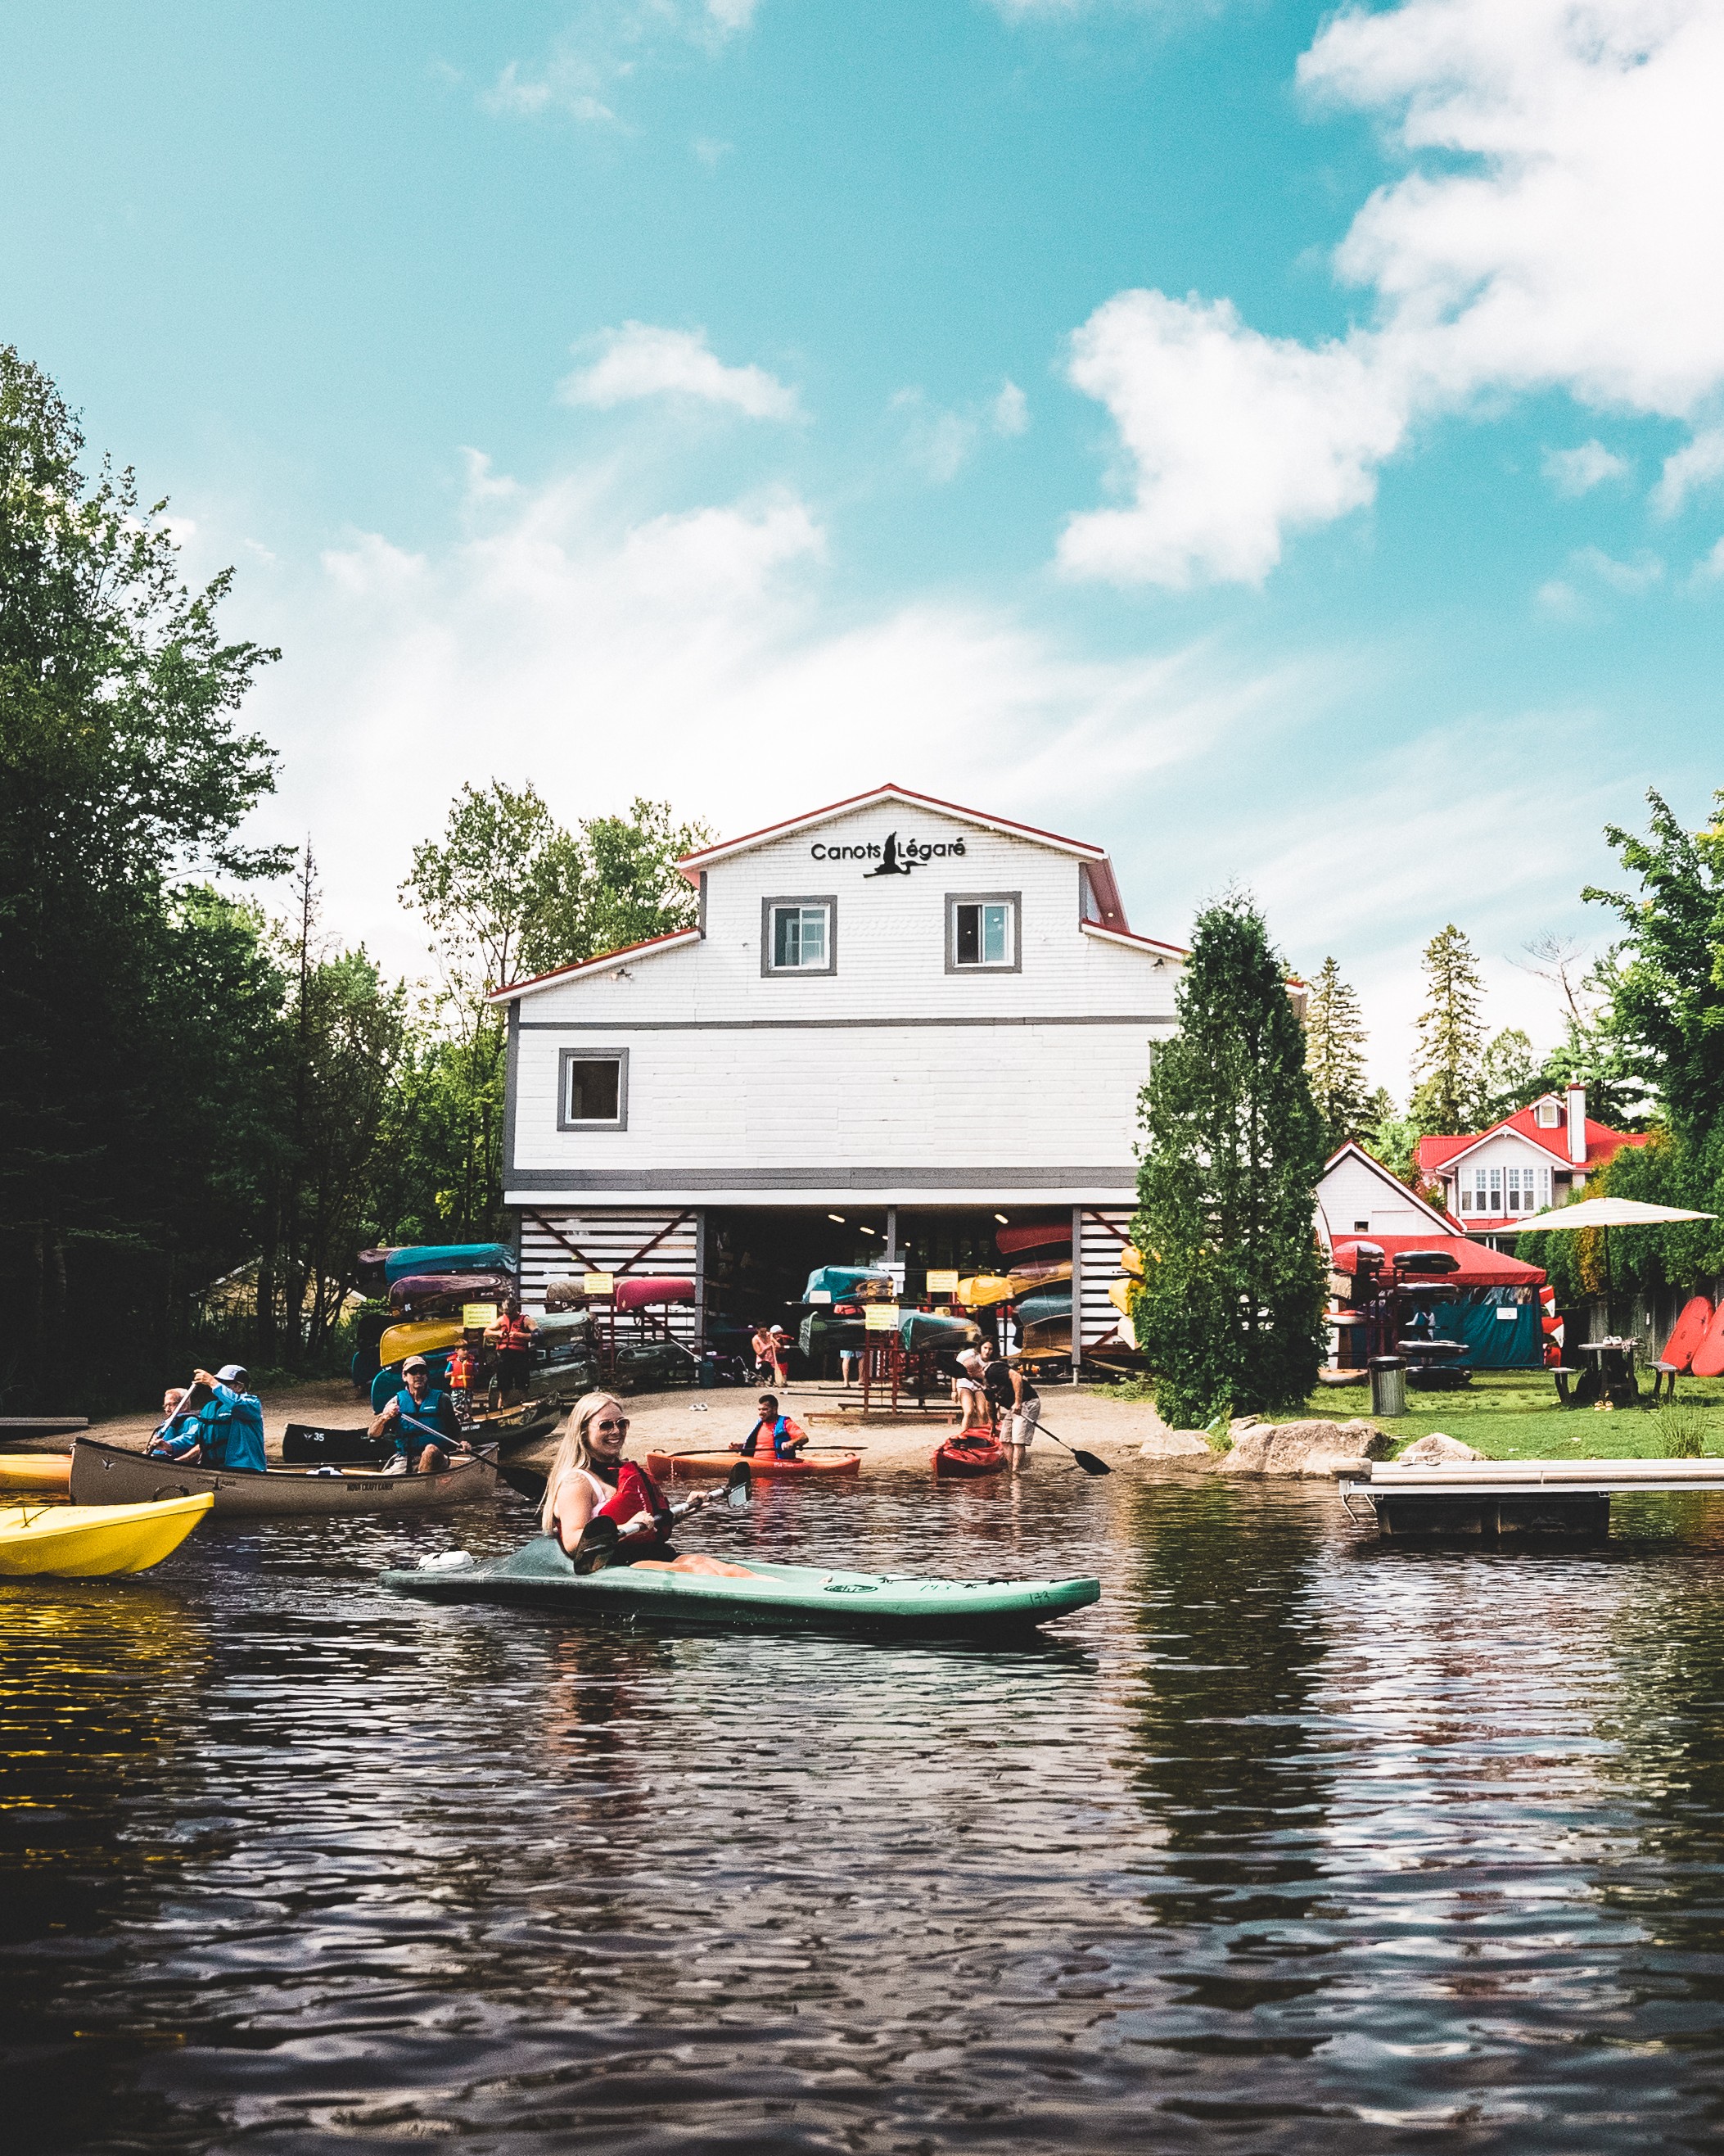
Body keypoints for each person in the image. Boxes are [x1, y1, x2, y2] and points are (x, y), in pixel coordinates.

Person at [540, 1391, 752, 1577]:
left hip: (654, 1553)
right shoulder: (577, 1482)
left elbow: (651, 1525)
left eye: (621, 1423)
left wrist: (687, 1510)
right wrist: (625, 1527)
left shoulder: (625, 1471)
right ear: (583, 1432)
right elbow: (571, 1541)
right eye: (606, 1425)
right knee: (703, 1572)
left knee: (729, 1570)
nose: (616, 1431)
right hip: (618, 1565)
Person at [369, 1354, 469, 1474]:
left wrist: (462, 1442)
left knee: (430, 1450)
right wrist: (384, 1418)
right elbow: (373, 1434)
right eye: (413, 1372)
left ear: (427, 1376)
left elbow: (455, 1430)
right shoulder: (395, 1402)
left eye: (422, 1372)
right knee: (385, 1484)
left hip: (438, 1457)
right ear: (404, 1376)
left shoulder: (442, 1400)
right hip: (405, 1459)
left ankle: (421, 1483)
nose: (418, 1375)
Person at [183, 1365, 268, 1472]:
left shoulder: (252, 1404)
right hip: (215, 1467)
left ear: (239, 1387)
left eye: (223, 1383)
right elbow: (195, 1433)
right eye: (217, 1382)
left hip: (245, 1467)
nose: (216, 1387)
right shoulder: (212, 1407)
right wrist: (170, 1446)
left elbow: (236, 1404)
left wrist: (212, 1382)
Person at [984, 1349, 1040, 1473]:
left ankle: (1016, 1473)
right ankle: (1010, 1471)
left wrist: (1018, 1403)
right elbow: (990, 1404)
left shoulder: (994, 1370)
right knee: (1005, 1439)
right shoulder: (983, 1384)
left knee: (1018, 1441)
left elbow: (1017, 1377)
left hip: (1027, 1402)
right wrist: (992, 1424)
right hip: (1012, 1407)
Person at [484, 1296, 539, 1403]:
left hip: (520, 1357)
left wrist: (519, 1335)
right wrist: (498, 1333)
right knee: (503, 1388)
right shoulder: (502, 1319)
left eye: (509, 1313)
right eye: (506, 1313)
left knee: (523, 1387)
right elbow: (486, 1332)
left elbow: (538, 1334)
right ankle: (502, 1408)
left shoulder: (526, 1320)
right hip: (504, 1357)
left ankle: (526, 1406)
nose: (507, 1316)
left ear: (516, 1309)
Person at [734, 1394, 809, 1461]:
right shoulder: (759, 1424)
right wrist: (741, 1446)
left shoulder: (786, 1423)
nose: (760, 1413)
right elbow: (759, 1444)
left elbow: (804, 1438)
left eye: (765, 1409)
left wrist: (791, 1443)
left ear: (774, 1409)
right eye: (759, 1409)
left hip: (778, 1463)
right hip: (756, 1462)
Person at [147, 1382, 208, 1461]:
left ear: (184, 1405)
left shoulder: (191, 1421)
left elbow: (195, 1443)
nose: (167, 1409)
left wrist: (179, 1459)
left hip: (170, 1459)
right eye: (165, 1406)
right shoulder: (167, 1422)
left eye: (171, 1404)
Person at [952, 1341, 990, 1435]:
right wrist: (954, 1390)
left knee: (982, 1411)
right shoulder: (964, 1355)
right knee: (969, 1411)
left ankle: (983, 1436)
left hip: (979, 1384)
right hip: (964, 1383)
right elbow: (954, 1371)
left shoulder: (985, 1356)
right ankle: (964, 1436)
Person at [751, 1322, 788, 1388]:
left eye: (765, 1332)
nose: (763, 1334)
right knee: (765, 1364)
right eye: (761, 1332)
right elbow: (759, 1354)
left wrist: (775, 1341)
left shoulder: (769, 1335)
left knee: (781, 1360)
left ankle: (778, 1380)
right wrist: (767, 1347)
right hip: (762, 1361)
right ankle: (764, 1379)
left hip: (773, 1360)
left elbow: (775, 1342)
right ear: (757, 1330)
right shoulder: (755, 1339)